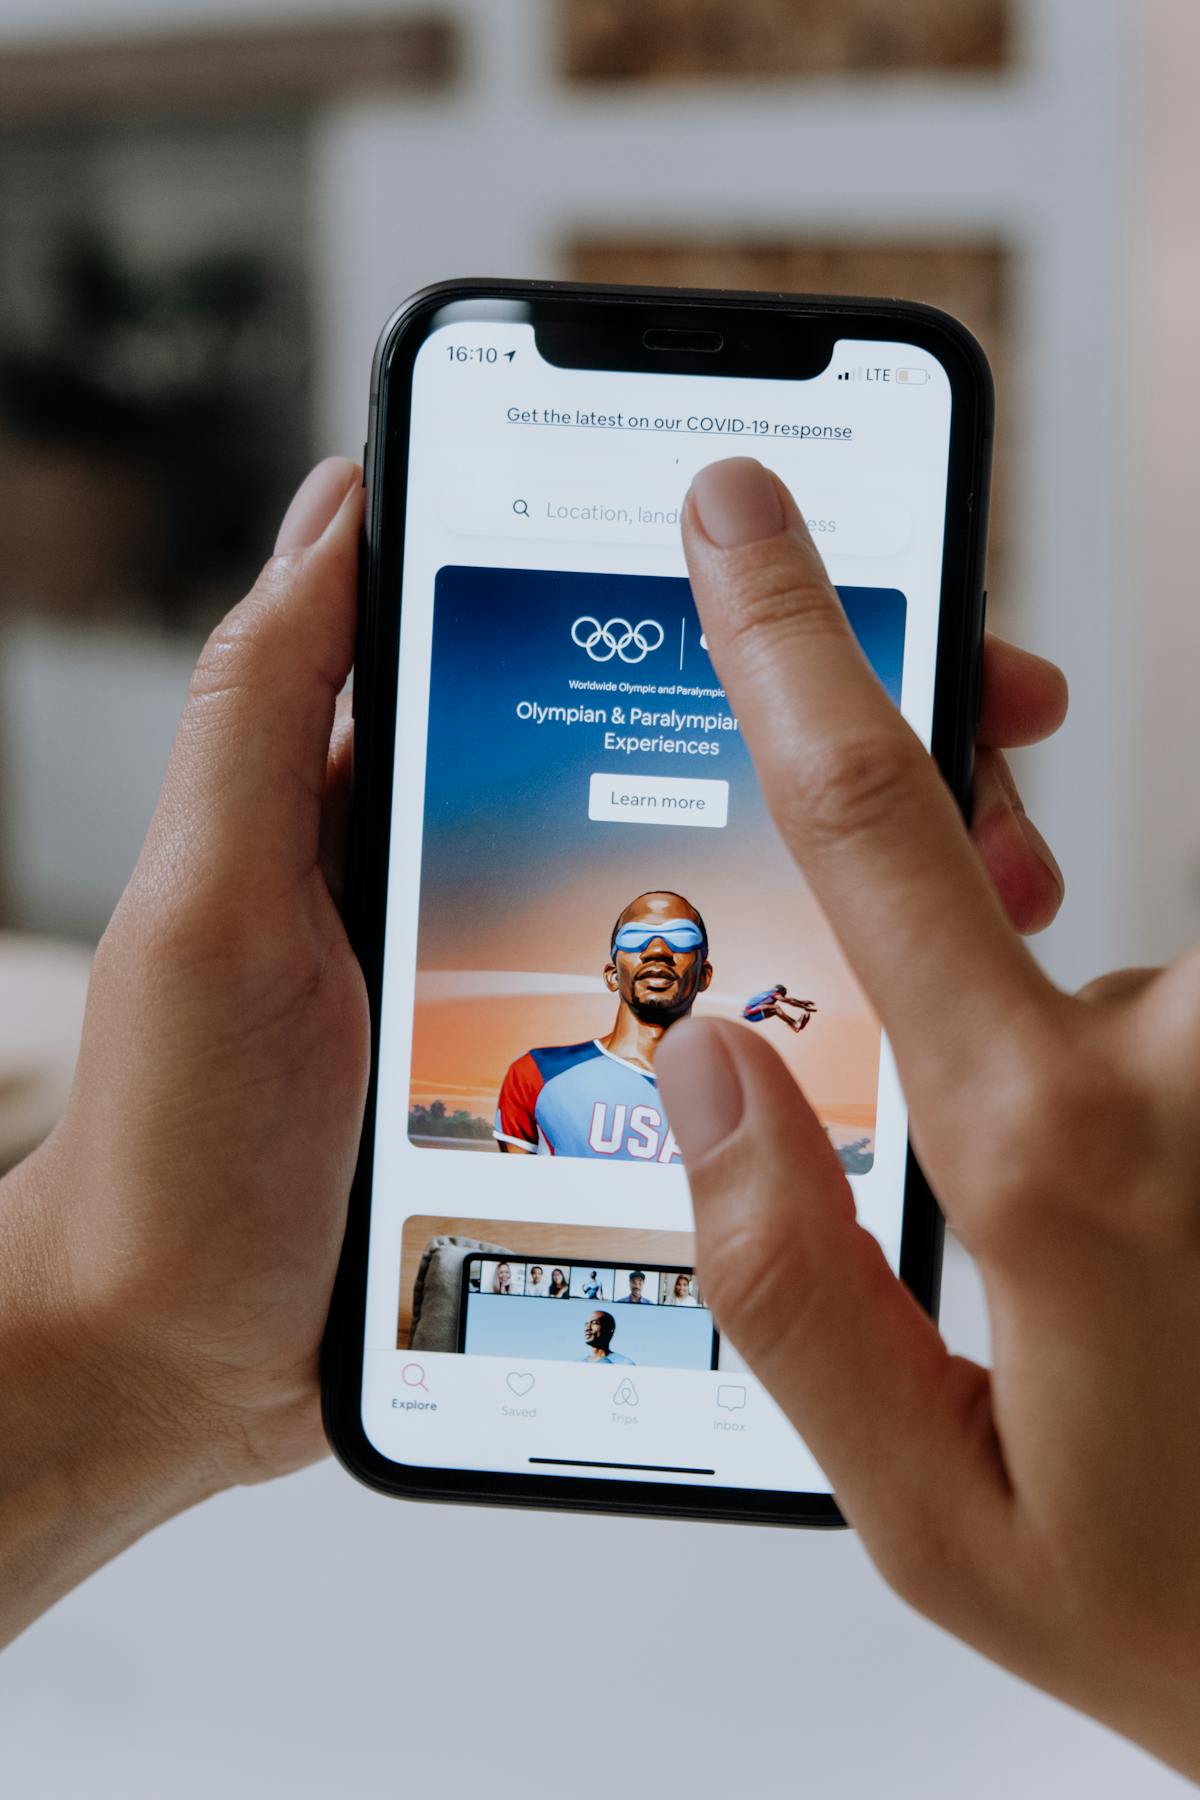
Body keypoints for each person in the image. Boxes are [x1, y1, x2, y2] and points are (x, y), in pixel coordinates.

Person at [0, 452, 1194, 1782]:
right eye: (652, 943)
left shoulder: (764, 1065)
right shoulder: (536, 1077)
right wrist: (125, 1328)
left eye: (692, 942)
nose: (675, 960)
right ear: (616, 967)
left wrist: (127, 1345)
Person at [493, 890, 711, 1160]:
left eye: (681, 936)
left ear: (704, 975)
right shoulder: (537, 1074)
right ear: (612, 976)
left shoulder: (738, 1099)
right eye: (634, 938)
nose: (657, 951)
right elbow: (515, 1195)